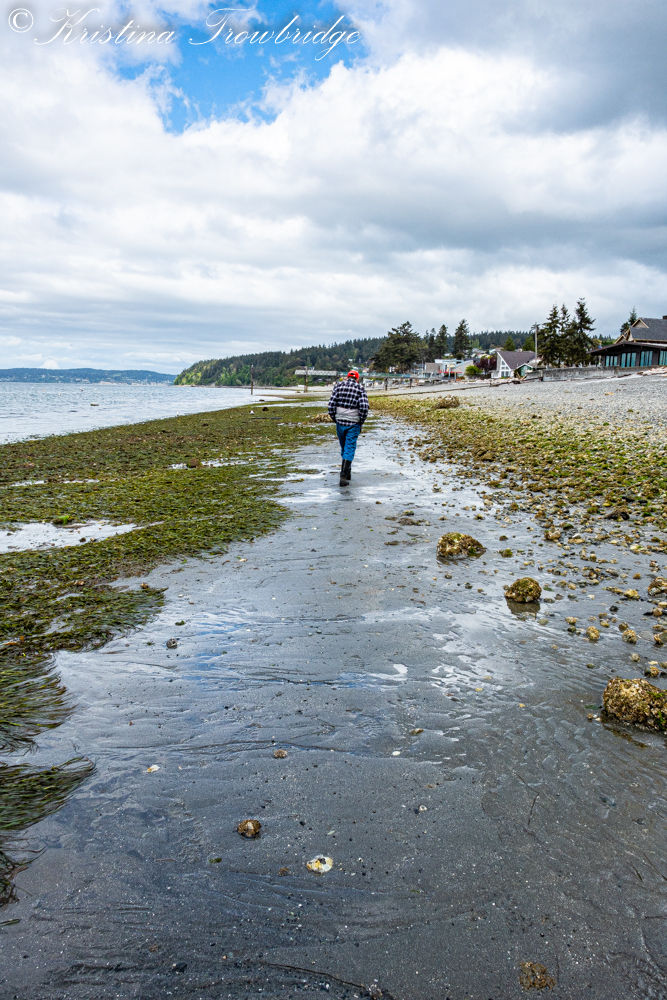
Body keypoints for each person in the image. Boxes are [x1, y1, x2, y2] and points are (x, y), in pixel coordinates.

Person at [327, 370, 369, 486]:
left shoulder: (338, 386)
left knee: (344, 447)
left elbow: (331, 405)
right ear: (357, 379)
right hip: (354, 423)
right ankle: (344, 475)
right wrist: (361, 421)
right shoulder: (360, 388)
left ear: (347, 377)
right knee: (349, 447)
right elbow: (364, 407)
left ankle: (347, 471)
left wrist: (334, 418)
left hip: (340, 422)